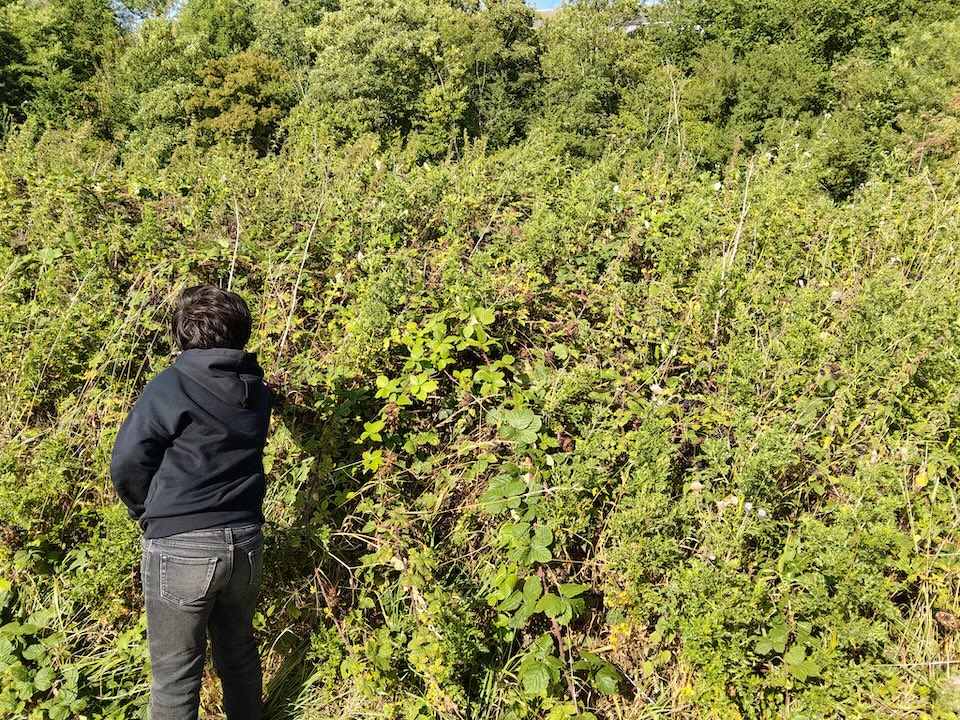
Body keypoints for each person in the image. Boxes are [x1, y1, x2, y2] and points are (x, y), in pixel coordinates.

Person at [110, 285, 273, 720]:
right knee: (239, 653)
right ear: (242, 332)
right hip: (245, 540)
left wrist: (146, 512)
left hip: (180, 545)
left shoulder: (172, 384)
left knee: (175, 677)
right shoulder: (258, 390)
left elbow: (127, 461)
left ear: (182, 334)